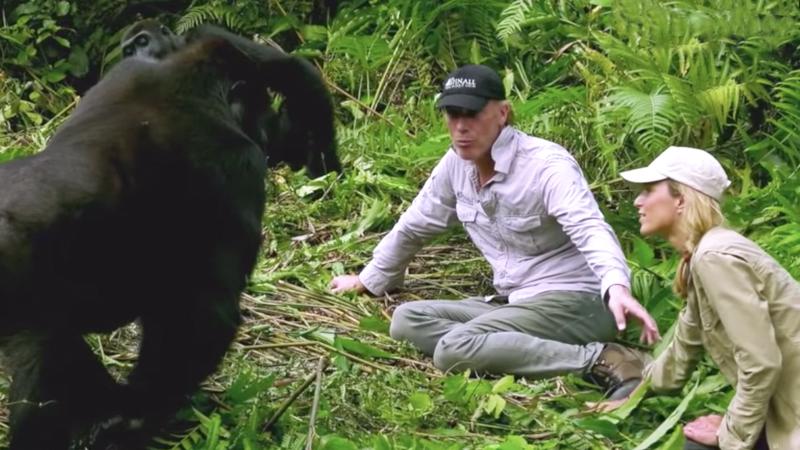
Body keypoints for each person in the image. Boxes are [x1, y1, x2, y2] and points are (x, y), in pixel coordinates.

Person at [329, 64, 659, 399]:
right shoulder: (455, 164)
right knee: (406, 320)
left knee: (452, 350)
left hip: (577, 300)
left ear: (502, 113)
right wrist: (370, 280)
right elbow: (416, 223)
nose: (460, 127)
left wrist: (616, 286)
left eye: (471, 114)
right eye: (451, 113)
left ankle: (605, 358)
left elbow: (588, 226)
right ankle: (508, 346)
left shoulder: (545, 165)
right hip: (517, 302)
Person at [619, 146, 800, 450]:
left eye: (649, 190)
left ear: (680, 199)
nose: (638, 201)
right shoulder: (704, 256)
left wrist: (730, 434)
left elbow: (761, 363)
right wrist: (633, 396)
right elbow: (684, 345)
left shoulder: (715, 257)